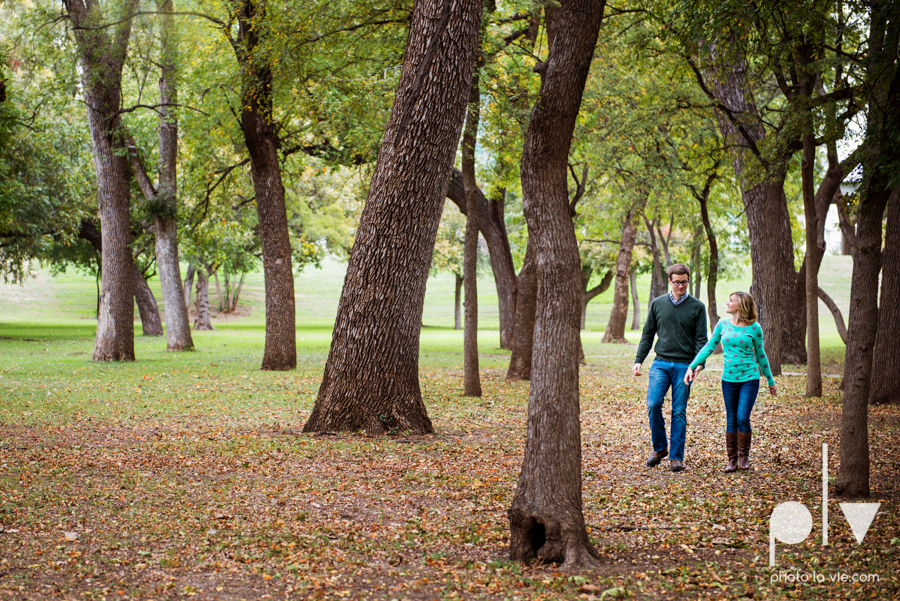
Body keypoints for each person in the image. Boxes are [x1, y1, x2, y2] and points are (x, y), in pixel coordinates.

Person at [684, 291, 776, 472]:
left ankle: (744, 457)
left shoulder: (754, 328)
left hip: (749, 378)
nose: (727, 303)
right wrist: (692, 365)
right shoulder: (722, 324)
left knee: (742, 417)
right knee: (731, 418)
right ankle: (732, 460)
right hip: (728, 379)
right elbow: (709, 346)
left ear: (741, 305)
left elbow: (761, 355)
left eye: (731, 300)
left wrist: (770, 380)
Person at [633, 264, 709, 472]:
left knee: (678, 411)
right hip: (660, 363)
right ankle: (660, 448)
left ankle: (676, 457)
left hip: (685, 365)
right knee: (653, 404)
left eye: (684, 281)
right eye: (676, 281)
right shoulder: (658, 304)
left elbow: (702, 340)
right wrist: (639, 359)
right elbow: (648, 334)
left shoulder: (697, 307)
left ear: (688, 281)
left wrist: (698, 365)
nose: (681, 286)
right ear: (670, 281)